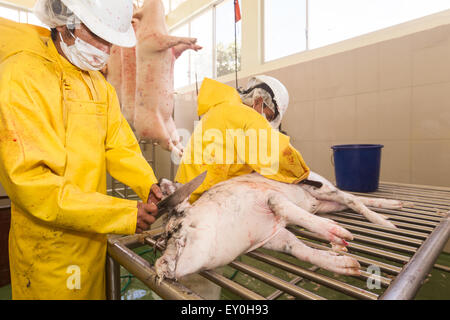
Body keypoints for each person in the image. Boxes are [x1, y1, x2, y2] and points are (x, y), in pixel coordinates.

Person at [0, 0, 162, 299]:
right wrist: (124, 214)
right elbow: (33, 184)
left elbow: (119, 144)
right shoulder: (22, 75)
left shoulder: (98, 84)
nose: (106, 50)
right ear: (65, 22)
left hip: (92, 237)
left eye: (111, 41)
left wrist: (147, 183)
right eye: (98, 36)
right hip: (48, 250)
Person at [175, 75, 311, 203]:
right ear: (259, 101)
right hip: (200, 200)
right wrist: (303, 175)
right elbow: (277, 152)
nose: (266, 122)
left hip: (186, 194)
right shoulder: (244, 115)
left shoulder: (223, 108)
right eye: (268, 116)